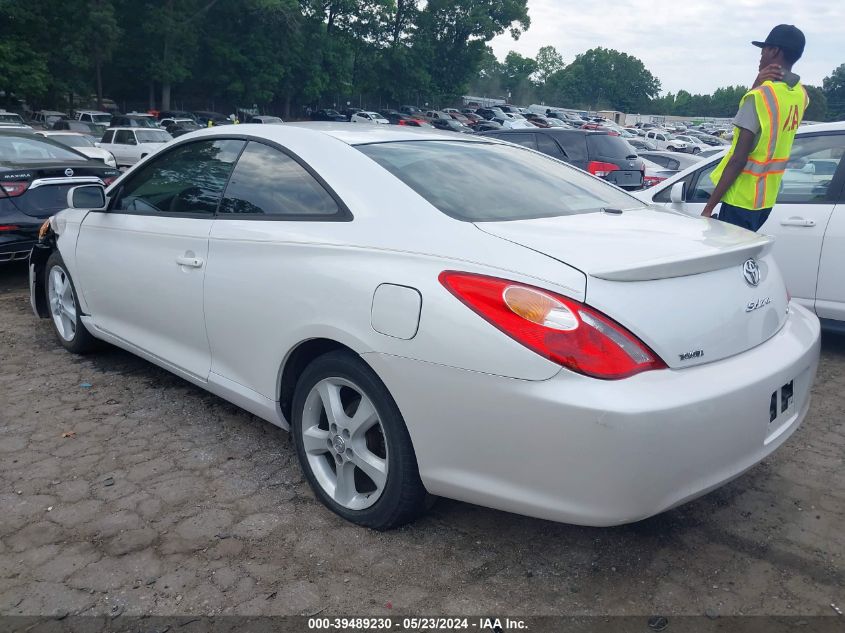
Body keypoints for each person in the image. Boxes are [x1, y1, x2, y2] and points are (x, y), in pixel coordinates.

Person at [701, 24, 809, 231]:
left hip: (740, 199)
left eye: (763, 50)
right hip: (765, 201)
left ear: (774, 51)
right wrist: (758, 83)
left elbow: (739, 159)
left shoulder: (758, 97)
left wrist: (709, 207)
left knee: (726, 258)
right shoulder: (801, 95)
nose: (760, 56)